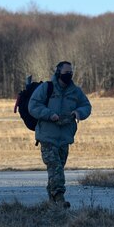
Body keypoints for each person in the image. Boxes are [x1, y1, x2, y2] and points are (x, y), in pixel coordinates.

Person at [28, 61, 92, 208]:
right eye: (65, 73)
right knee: (55, 167)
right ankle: (60, 197)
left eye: (70, 73)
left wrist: (78, 113)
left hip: (64, 138)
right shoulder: (47, 88)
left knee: (57, 169)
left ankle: (53, 204)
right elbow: (33, 106)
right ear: (58, 73)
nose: (68, 76)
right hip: (47, 137)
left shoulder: (75, 91)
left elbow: (86, 106)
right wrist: (50, 115)